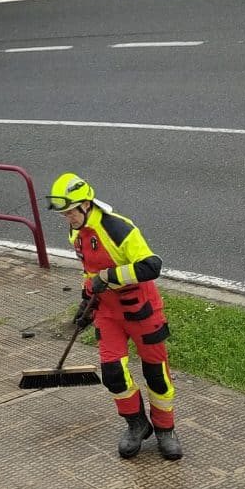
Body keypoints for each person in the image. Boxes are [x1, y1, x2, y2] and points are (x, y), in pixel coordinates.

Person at [47, 172, 182, 461]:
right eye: (64, 214)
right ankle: (137, 424)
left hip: (142, 311)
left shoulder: (118, 228)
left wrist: (110, 276)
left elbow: (152, 266)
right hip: (107, 313)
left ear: (85, 205)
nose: (67, 219)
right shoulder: (76, 233)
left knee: (156, 375)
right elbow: (88, 272)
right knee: (112, 374)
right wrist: (85, 304)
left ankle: (165, 429)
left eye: (70, 212)